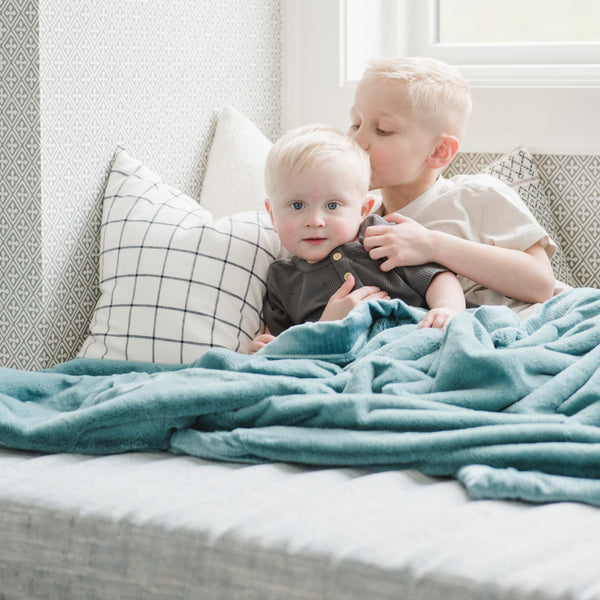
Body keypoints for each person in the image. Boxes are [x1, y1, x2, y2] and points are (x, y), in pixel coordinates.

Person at [349, 56, 558, 315]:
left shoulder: (477, 196)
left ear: (439, 151)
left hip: (528, 322)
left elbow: (540, 284)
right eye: (355, 124)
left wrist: (431, 245)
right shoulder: (357, 218)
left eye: (382, 130)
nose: (356, 140)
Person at [249, 124, 466, 353]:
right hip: (344, 363)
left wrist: (447, 309)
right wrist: (323, 327)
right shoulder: (282, 278)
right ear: (272, 215)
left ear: (363, 211)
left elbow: (437, 277)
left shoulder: (380, 237)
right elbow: (287, 347)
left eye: (332, 205)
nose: (315, 221)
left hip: (415, 340)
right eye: (297, 205)